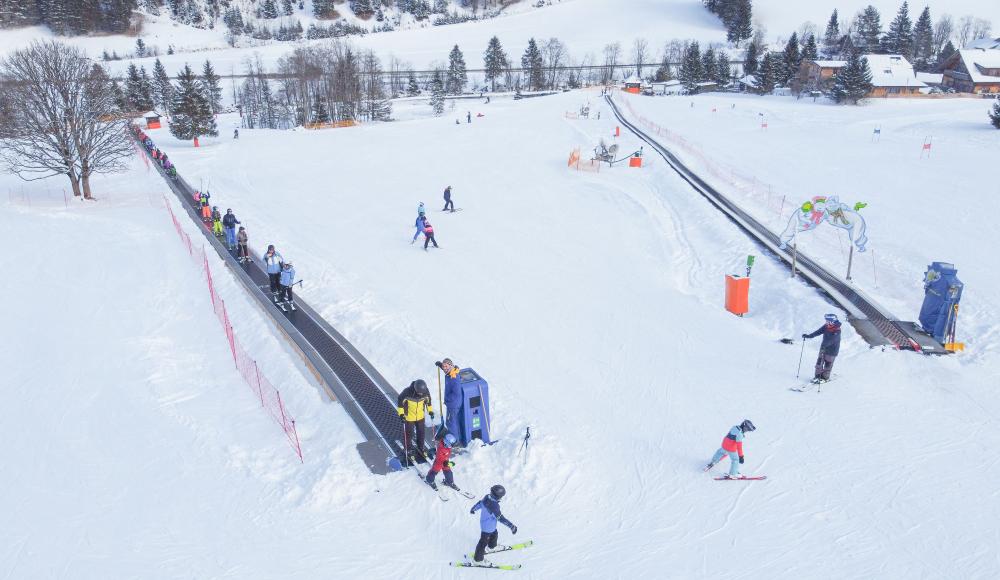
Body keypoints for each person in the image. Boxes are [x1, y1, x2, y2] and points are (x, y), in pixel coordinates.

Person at [470, 485, 518, 562]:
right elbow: (501, 518)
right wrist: (511, 526)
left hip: (489, 525)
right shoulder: (494, 506)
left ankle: (492, 546)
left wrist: (473, 509)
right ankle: (478, 559)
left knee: (494, 534)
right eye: (501, 496)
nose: (501, 498)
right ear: (498, 497)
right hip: (487, 528)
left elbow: (480, 503)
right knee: (482, 543)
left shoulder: (487, 497)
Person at [397, 379, 433, 462]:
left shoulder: (425, 391)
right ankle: (408, 449)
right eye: (419, 393)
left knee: (421, 432)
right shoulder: (407, 392)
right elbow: (400, 402)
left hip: (420, 416)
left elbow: (428, 402)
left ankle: (421, 447)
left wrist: (430, 411)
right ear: (416, 389)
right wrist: (401, 414)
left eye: (422, 393)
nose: (421, 394)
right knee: (409, 433)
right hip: (409, 417)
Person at [802, 314, 842, 383]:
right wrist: (809, 336)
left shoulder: (837, 330)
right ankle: (817, 376)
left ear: (832, 321)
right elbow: (818, 331)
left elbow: (832, 340)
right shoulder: (826, 326)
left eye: (828, 321)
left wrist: (824, 346)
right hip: (823, 347)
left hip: (832, 350)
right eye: (826, 321)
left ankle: (825, 377)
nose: (826, 322)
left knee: (828, 364)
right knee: (819, 362)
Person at [436, 359, 462, 439]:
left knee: (450, 423)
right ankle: (455, 437)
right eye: (443, 366)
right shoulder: (451, 372)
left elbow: (456, 393)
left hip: (453, 404)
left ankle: (454, 441)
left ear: (451, 366)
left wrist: (447, 399)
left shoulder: (454, 377)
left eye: (446, 366)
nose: (444, 368)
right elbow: (446, 369)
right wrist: (440, 365)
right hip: (452, 403)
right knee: (453, 421)